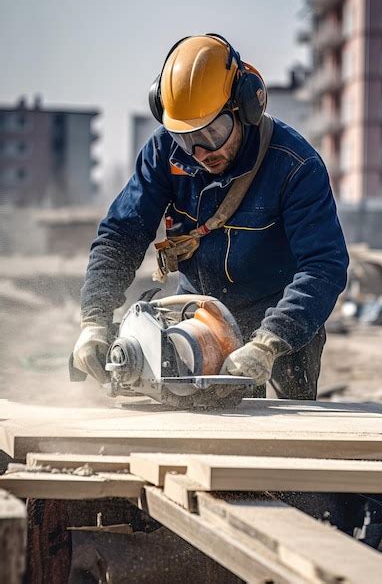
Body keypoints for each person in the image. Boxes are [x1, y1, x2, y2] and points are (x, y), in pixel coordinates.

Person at [73, 33, 349, 405]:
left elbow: (324, 266)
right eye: (186, 138)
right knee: (190, 418)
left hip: (280, 316)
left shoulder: (295, 166)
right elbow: (122, 235)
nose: (201, 151)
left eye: (214, 132)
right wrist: (94, 318)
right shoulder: (163, 152)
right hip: (197, 310)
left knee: (285, 426)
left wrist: (269, 343)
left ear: (246, 107)